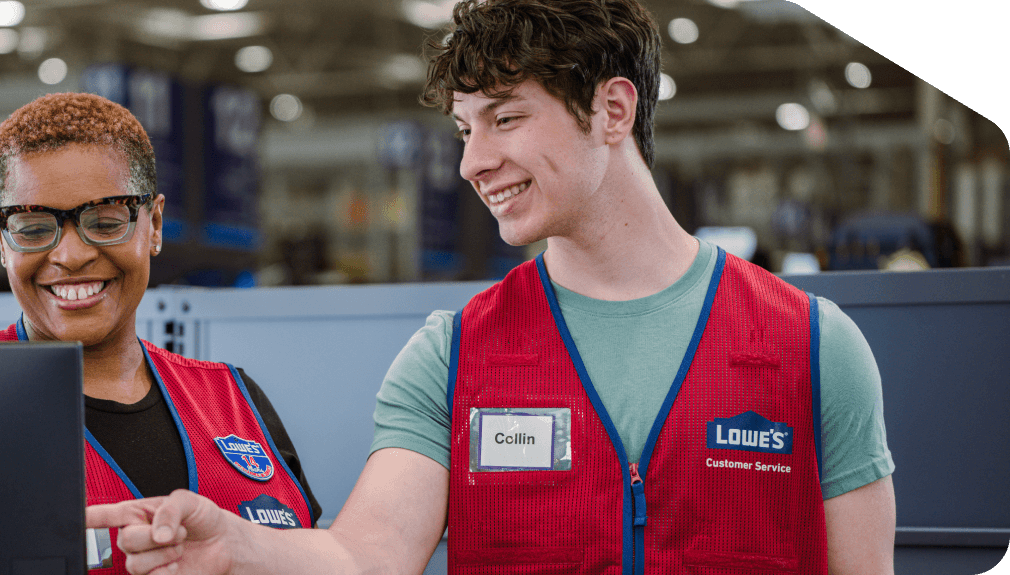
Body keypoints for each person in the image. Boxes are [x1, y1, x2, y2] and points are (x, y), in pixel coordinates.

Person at [85, 1, 896, 574]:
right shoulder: (452, 357)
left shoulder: (813, 348)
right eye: (465, 130)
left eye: (505, 119)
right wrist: (238, 544)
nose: (473, 163)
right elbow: (366, 556)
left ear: (614, 108)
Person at [0, 92, 323, 573]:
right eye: (34, 227)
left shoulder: (235, 401)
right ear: (3, 243)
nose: (71, 255)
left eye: (104, 222)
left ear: (155, 224)